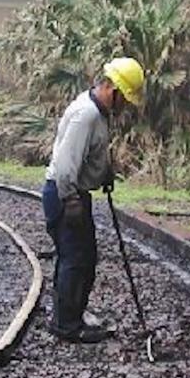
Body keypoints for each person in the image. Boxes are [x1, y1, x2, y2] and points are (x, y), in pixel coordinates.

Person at [42, 57, 145, 343]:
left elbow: (88, 155)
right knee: (75, 260)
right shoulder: (86, 114)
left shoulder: (96, 113)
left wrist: (103, 173)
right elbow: (65, 165)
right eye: (124, 98)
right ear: (113, 90)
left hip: (73, 193)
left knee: (82, 259)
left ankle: (71, 315)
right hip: (65, 195)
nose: (125, 105)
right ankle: (66, 326)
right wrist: (72, 201)